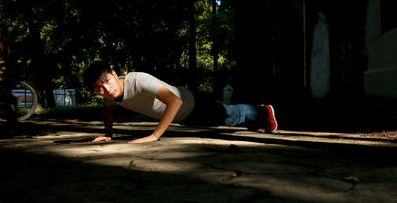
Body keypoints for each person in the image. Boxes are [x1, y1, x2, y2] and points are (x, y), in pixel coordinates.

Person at [83, 61, 278, 144]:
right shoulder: (110, 95)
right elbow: (108, 110)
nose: (107, 89)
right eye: (99, 88)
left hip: (189, 104)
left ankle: (262, 112)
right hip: (181, 118)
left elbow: (174, 102)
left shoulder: (138, 80)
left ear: (114, 74)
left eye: (107, 81)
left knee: (231, 116)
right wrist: (108, 135)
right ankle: (256, 118)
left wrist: (154, 135)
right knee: (228, 119)